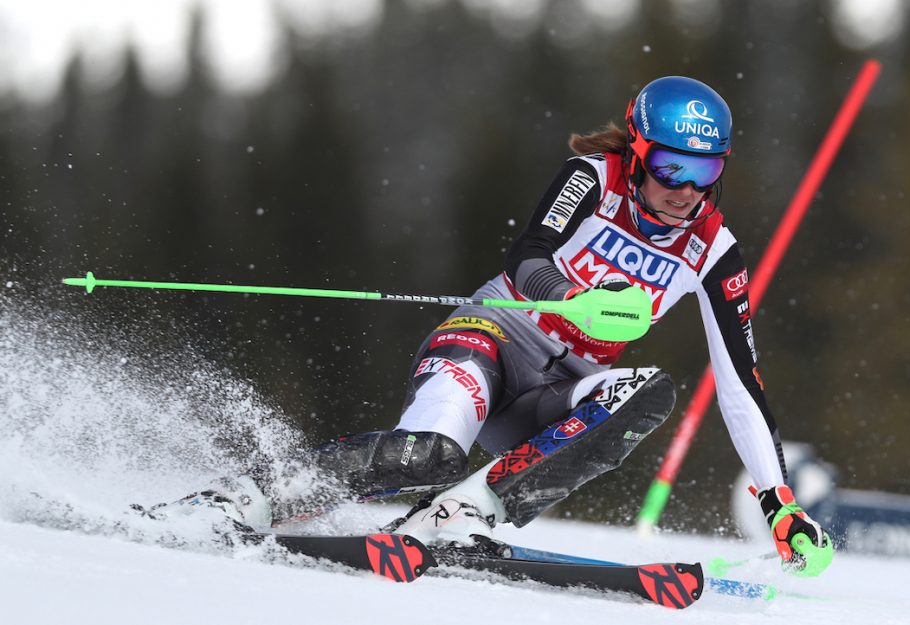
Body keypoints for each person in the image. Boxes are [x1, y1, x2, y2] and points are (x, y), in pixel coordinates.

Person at [152, 76, 833, 576]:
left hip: (556, 390)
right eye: (668, 166)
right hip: (490, 338)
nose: (684, 188)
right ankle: (249, 493)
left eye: (704, 170)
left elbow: (740, 377)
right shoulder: (592, 177)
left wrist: (777, 501)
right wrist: (573, 297)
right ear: (637, 151)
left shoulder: (714, 250)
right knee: (429, 454)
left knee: (644, 390)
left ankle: (464, 512)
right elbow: (529, 254)